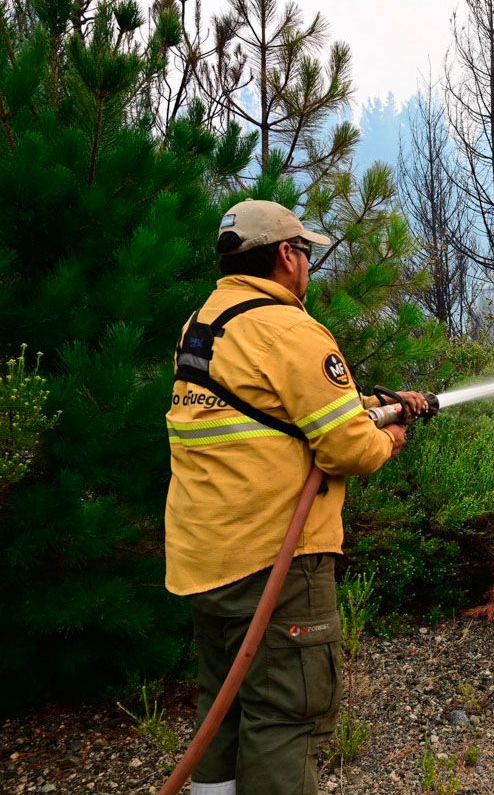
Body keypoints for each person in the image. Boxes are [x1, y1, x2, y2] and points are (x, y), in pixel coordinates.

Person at [164, 199, 427, 795]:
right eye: (305, 252)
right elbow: (347, 450)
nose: (308, 264)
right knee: (285, 717)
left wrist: (363, 409)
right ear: (287, 255)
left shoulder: (203, 325)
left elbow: (268, 414)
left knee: (223, 714)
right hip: (274, 565)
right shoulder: (289, 329)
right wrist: (388, 436)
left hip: (205, 559)